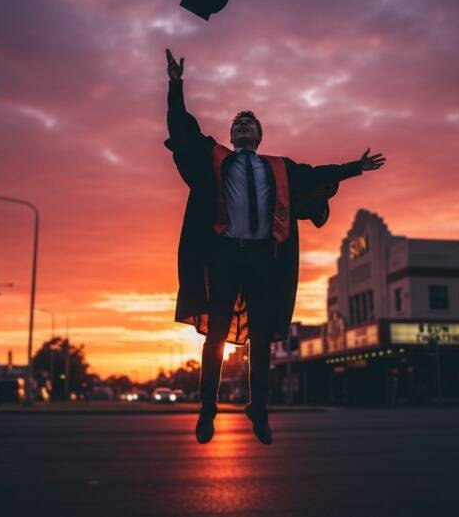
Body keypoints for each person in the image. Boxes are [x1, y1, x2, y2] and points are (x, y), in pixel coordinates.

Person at [164, 48, 385, 444]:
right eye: (239, 124)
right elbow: (183, 129)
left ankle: (258, 409)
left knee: (262, 336)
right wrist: (176, 85)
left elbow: (319, 174)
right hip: (226, 252)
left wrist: (355, 167)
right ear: (232, 135)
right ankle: (207, 409)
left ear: (259, 135)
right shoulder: (216, 158)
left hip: (264, 257)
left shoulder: (280, 168)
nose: (244, 127)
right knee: (216, 334)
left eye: (250, 124)